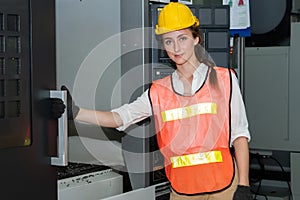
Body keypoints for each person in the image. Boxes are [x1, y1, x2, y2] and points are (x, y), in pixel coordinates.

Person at [52, 2, 252, 199]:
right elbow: (119, 118)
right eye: (168, 41)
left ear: (196, 39)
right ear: (163, 45)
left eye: (182, 38)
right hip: (183, 190)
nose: (176, 47)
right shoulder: (159, 91)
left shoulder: (225, 79)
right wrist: (76, 112)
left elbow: (240, 134)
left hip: (225, 187)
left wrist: (244, 185)